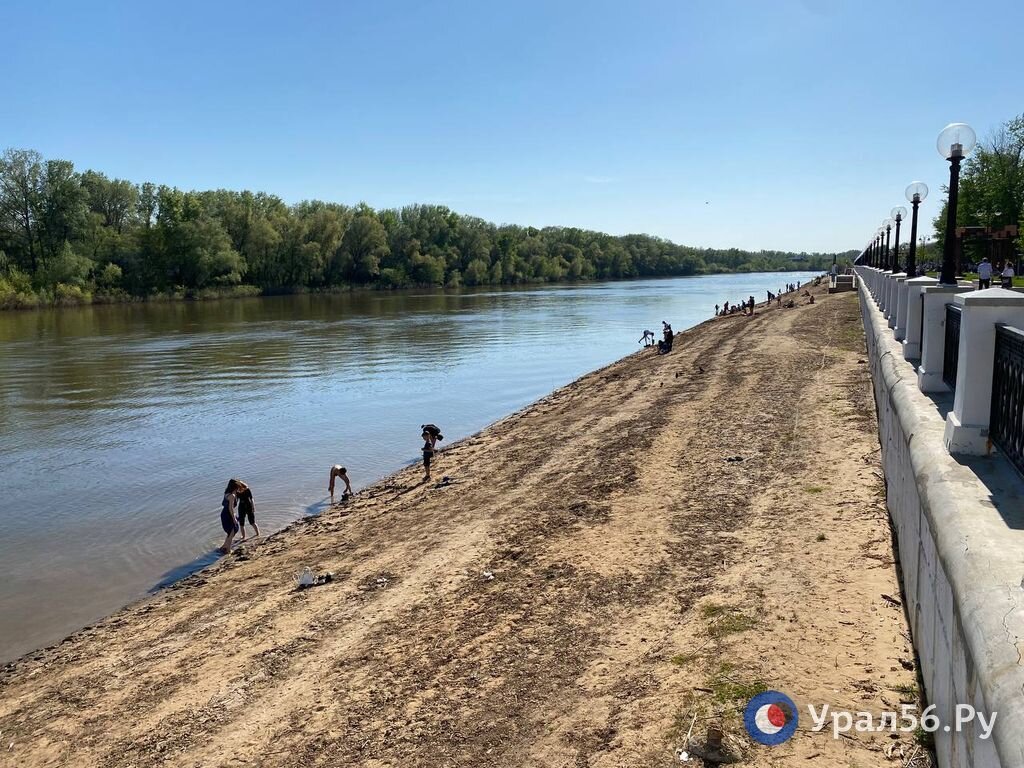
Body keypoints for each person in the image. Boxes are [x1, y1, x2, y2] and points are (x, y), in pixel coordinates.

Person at [219, 479, 241, 554]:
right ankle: (228, 550)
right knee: (232, 532)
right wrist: (234, 518)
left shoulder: (227, 493)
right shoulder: (232, 495)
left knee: (231, 531)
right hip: (228, 514)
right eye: (238, 485)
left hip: (225, 513)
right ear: (235, 486)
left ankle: (224, 546)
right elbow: (230, 508)